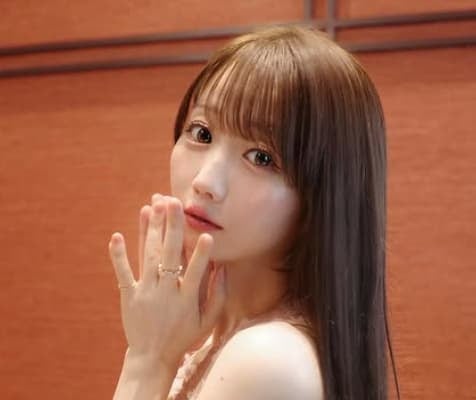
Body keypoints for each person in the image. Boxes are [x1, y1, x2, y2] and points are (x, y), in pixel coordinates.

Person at [108, 25, 399, 400]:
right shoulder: (227, 334)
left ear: (322, 193)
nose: (205, 181)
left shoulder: (267, 359)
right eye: (202, 133)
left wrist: (149, 359)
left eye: (261, 157)